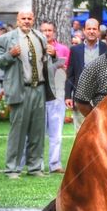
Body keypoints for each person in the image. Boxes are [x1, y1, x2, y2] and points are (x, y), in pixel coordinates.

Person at [0, 9, 56, 178]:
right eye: (23, 18)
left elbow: (46, 62)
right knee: (17, 131)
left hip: (40, 88)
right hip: (21, 88)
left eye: (29, 18)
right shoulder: (6, 38)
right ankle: (12, 169)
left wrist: (53, 55)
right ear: (17, 20)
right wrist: (10, 55)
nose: (26, 21)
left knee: (38, 131)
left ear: (33, 20)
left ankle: (35, 168)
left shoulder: (40, 37)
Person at [40, 21, 69, 173]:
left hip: (57, 92)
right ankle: (37, 164)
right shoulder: (36, 48)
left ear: (54, 32)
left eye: (49, 30)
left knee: (56, 132)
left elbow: (67, 68)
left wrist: (56, 56)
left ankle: (55, 164)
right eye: (44, 30)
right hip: (39, 93)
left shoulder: (62, 48)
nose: (47, 33)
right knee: (38, 132)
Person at [66, 18, 106, 128]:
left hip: (101, 98)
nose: (91, 31)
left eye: (94, 29)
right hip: (81, 98)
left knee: (101, 131)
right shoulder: (75, 50)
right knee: (81, 133)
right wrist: (68, 96)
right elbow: (70, 74)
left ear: (98, 31)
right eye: (89, 28)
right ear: (84, 30)